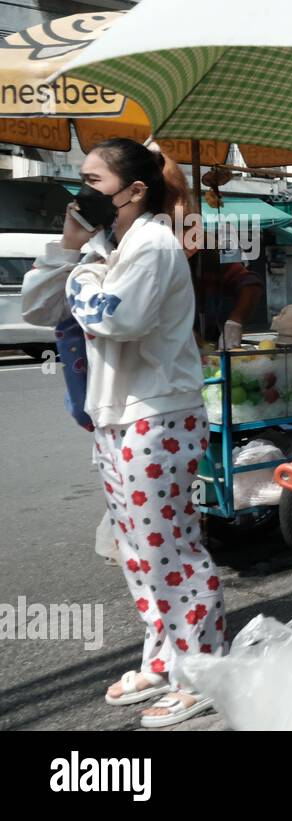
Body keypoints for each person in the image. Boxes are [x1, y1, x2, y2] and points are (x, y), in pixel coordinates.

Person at [21, 137, 225, 727]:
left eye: (94, 181)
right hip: (115, 416)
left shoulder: (156, 245)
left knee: (170, 550)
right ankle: (163, 658)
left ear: (134, 190)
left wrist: (82, 270)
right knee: (137, 553)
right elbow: (37, 308)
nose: (81, 194)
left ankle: (204, 666)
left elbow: (119, 318)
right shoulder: (104, 245)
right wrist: (69, 248)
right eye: (79, 181)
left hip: (158, 414)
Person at [193, 248, 264, 348]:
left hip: (209, 346)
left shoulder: (208, 257)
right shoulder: (166, 263)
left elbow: (250, 283)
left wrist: (235, 321)